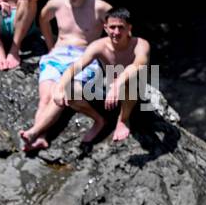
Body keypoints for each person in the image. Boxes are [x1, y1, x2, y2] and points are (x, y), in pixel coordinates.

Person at [19, 0, 112, 153]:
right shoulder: (56, 4)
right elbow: (43, 19)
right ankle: (42, 138)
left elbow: (119, 31)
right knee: (45, 97)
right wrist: (51, 45)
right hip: (58, 55)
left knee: (58, 94)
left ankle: (33, 132)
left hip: (84, 57)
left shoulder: (101, 8)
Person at [53, 8, 151, 144]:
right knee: (69, 90)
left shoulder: (140, 44)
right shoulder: (98, 46)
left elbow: (138, 64)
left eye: (121, 27)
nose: (116, 32)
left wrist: (118, 84)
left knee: (131, 81)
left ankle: (123, 119)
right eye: (112, 27)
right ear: (105, 28)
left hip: (131, 90)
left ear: (129, 28)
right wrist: (59, 88)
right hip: (107, 86)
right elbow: (74, 68)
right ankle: (99, 120)